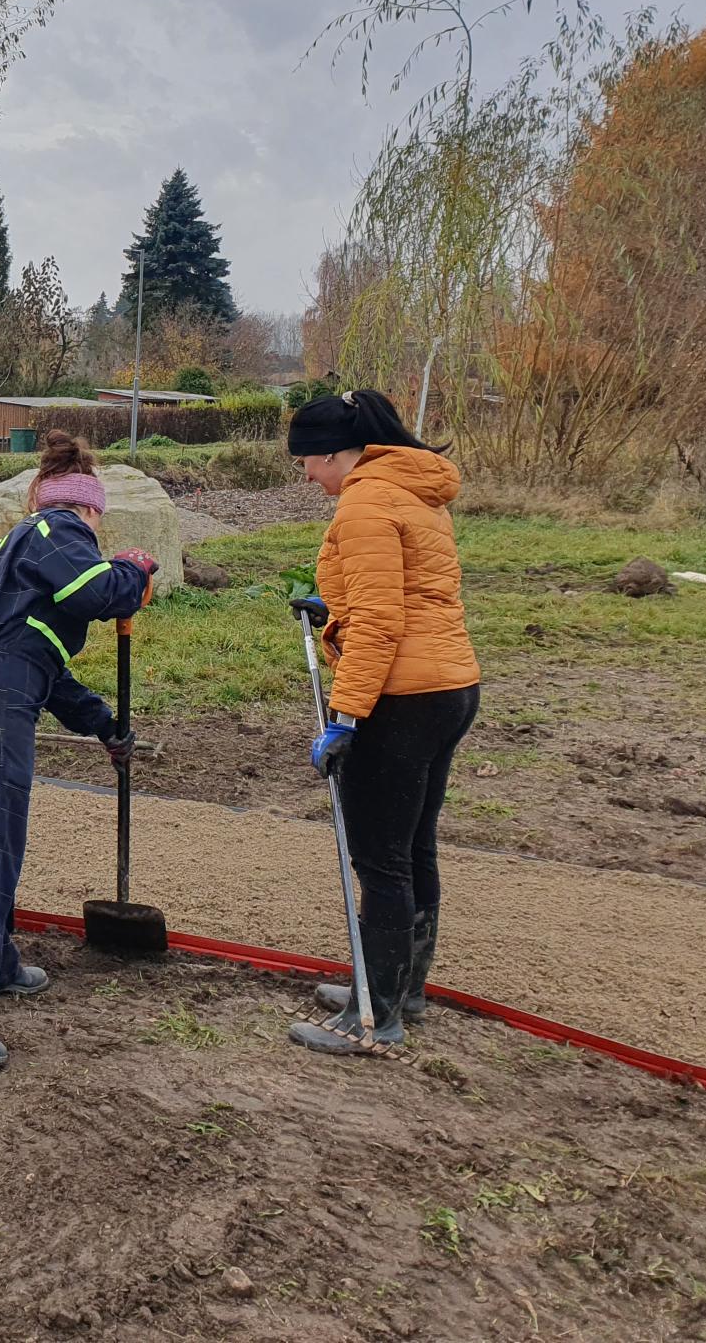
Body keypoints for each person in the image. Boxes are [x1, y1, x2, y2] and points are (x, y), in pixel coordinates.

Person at [0, 431, 157, 1068]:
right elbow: (99, 593)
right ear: (89, 508)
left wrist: (104, 724)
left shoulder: (6, 564)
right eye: (97, 520)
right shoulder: (56, 532)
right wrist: (133, 569)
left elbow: (40, 664)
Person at [286, 390, 480, 1056]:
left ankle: (374, 1019)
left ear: (340, 453)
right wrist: (331, 607)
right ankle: (399, 988)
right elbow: (405, 593)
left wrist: (346, 714)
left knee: (380, 857)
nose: (307, 475)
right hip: (449, 685)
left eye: (309, 461)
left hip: (400, 698)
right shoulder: (413, 491)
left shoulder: (366, 501)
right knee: (413, 845)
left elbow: (380, 623)